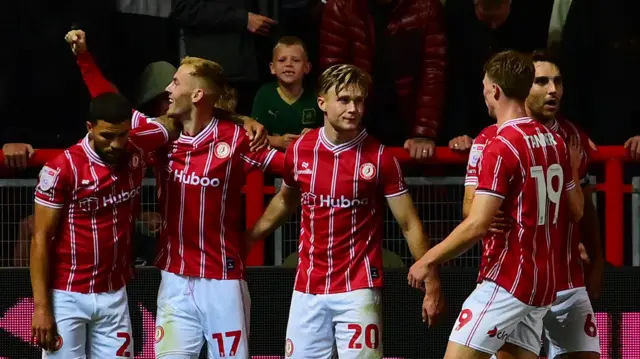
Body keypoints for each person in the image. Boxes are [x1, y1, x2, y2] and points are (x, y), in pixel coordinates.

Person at [245, 64, 444, 359]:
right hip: (307, 287)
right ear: (322, 102)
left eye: (359, 100)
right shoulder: (300, 150)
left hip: (358, 289)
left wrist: (432, 281)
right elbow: (285, 201)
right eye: (344, 100)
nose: (353, 108)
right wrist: (249, 238)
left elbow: (409, 223)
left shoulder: (379, 157)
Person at [408, 50, 585, 359]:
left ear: (495, 91)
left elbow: (476, 224)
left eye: (485, 87)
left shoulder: (500, 146)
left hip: (507, 280)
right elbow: (574, 210)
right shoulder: (554, 142)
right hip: (544, 285)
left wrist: (428, 260)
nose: (485, 95)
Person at [457, 49, 603, 359]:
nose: (553, 90)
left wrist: (597, 264)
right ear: (523, 87)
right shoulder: (489, 139)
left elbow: (582, 212)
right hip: (515, 280)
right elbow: (471, 209)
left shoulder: (572, 137)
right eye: (542, 81)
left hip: (565, 280)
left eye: (558, 81)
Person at [137, 57, 282, 359]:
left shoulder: (239, 139)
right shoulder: (164, 137)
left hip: (223, 281)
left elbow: (293, 177)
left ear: (197, 95)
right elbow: (113, 117)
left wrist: (255, 234)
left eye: (176, 82)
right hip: (173, 278)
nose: (168, 89)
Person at [30, 92, 180, 357]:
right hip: (67, 295)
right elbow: (41, 237)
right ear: (90, 128)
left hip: (114, 293)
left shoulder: (139, 145)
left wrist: (242, 120)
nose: (115, 144)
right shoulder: (62, 169)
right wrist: (41, 307)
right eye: (107, 136)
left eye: (122, 135)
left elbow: (178, 120)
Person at [251, 36, 323, 152]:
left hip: (308, 157)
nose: (288, 64)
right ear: (272, 68)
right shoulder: (264, 94)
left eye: (296, 60)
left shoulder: (317, 95)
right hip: (272, 157)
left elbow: (331, 133)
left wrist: (316, 135)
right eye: (282, 60)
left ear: (307, 67)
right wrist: (277, 141)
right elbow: (253, 134)